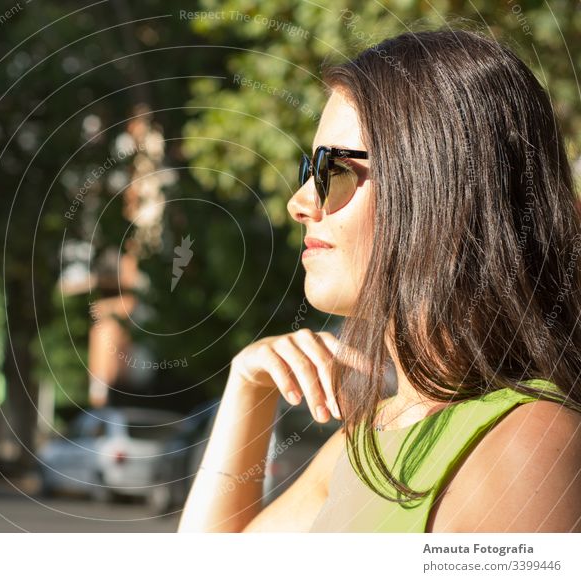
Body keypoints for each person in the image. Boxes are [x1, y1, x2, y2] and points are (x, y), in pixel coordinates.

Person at [177, 27, 581, 533]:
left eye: (334, 168)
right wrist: (249, 387)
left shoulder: (527, 442)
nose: (300, 203)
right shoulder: (362, 444)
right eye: (309, 168)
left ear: (439, 191)